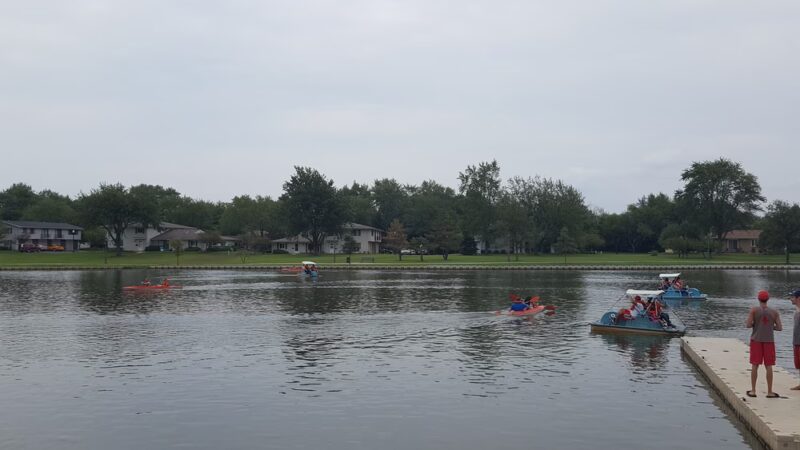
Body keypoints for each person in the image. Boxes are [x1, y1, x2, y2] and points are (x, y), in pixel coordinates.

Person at [746, 290, 782, 398]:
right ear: (768, 299)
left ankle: (753, 391)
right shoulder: (774, 312)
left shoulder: (754, 310)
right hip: (769, 341)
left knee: (755, 365)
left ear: (758, 299)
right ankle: (770, 392)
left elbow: (748, 325)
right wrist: (770, 327)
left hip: (756, 340)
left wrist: (756, 325)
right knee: (769, 366)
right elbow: (780, 328)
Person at [791, 290, 800, 391]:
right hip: (796, 342)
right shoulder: (797, 311)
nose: (791, 299)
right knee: (798, 364)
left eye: (793, 297)